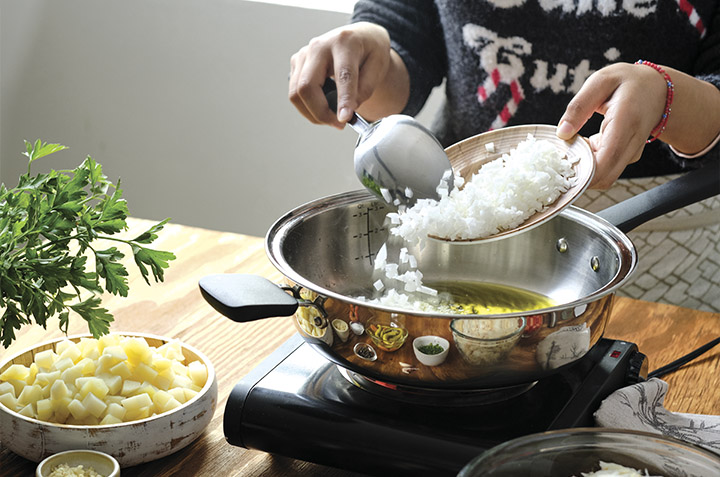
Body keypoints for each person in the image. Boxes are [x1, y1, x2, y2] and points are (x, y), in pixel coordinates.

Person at [288, 0, 720, 312]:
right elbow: (403, 57)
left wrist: (667, 98)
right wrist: (371, 50)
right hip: (460, 207)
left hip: (668, 248)